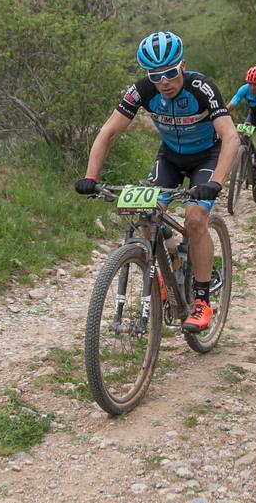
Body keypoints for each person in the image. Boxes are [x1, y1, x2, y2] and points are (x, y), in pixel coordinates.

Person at [75, 31, 238, 332]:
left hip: (207, 157)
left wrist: (215, 182)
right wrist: (90, 176)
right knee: (146, 217)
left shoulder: (201, 88)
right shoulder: (141, 91)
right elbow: (108, 131)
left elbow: (230, 136)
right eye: (156, 75)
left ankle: (202, 300)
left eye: (170, 72)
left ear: (183, 65)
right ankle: (173, 267)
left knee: (194, 218)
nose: (164, 81)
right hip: (171, 158)